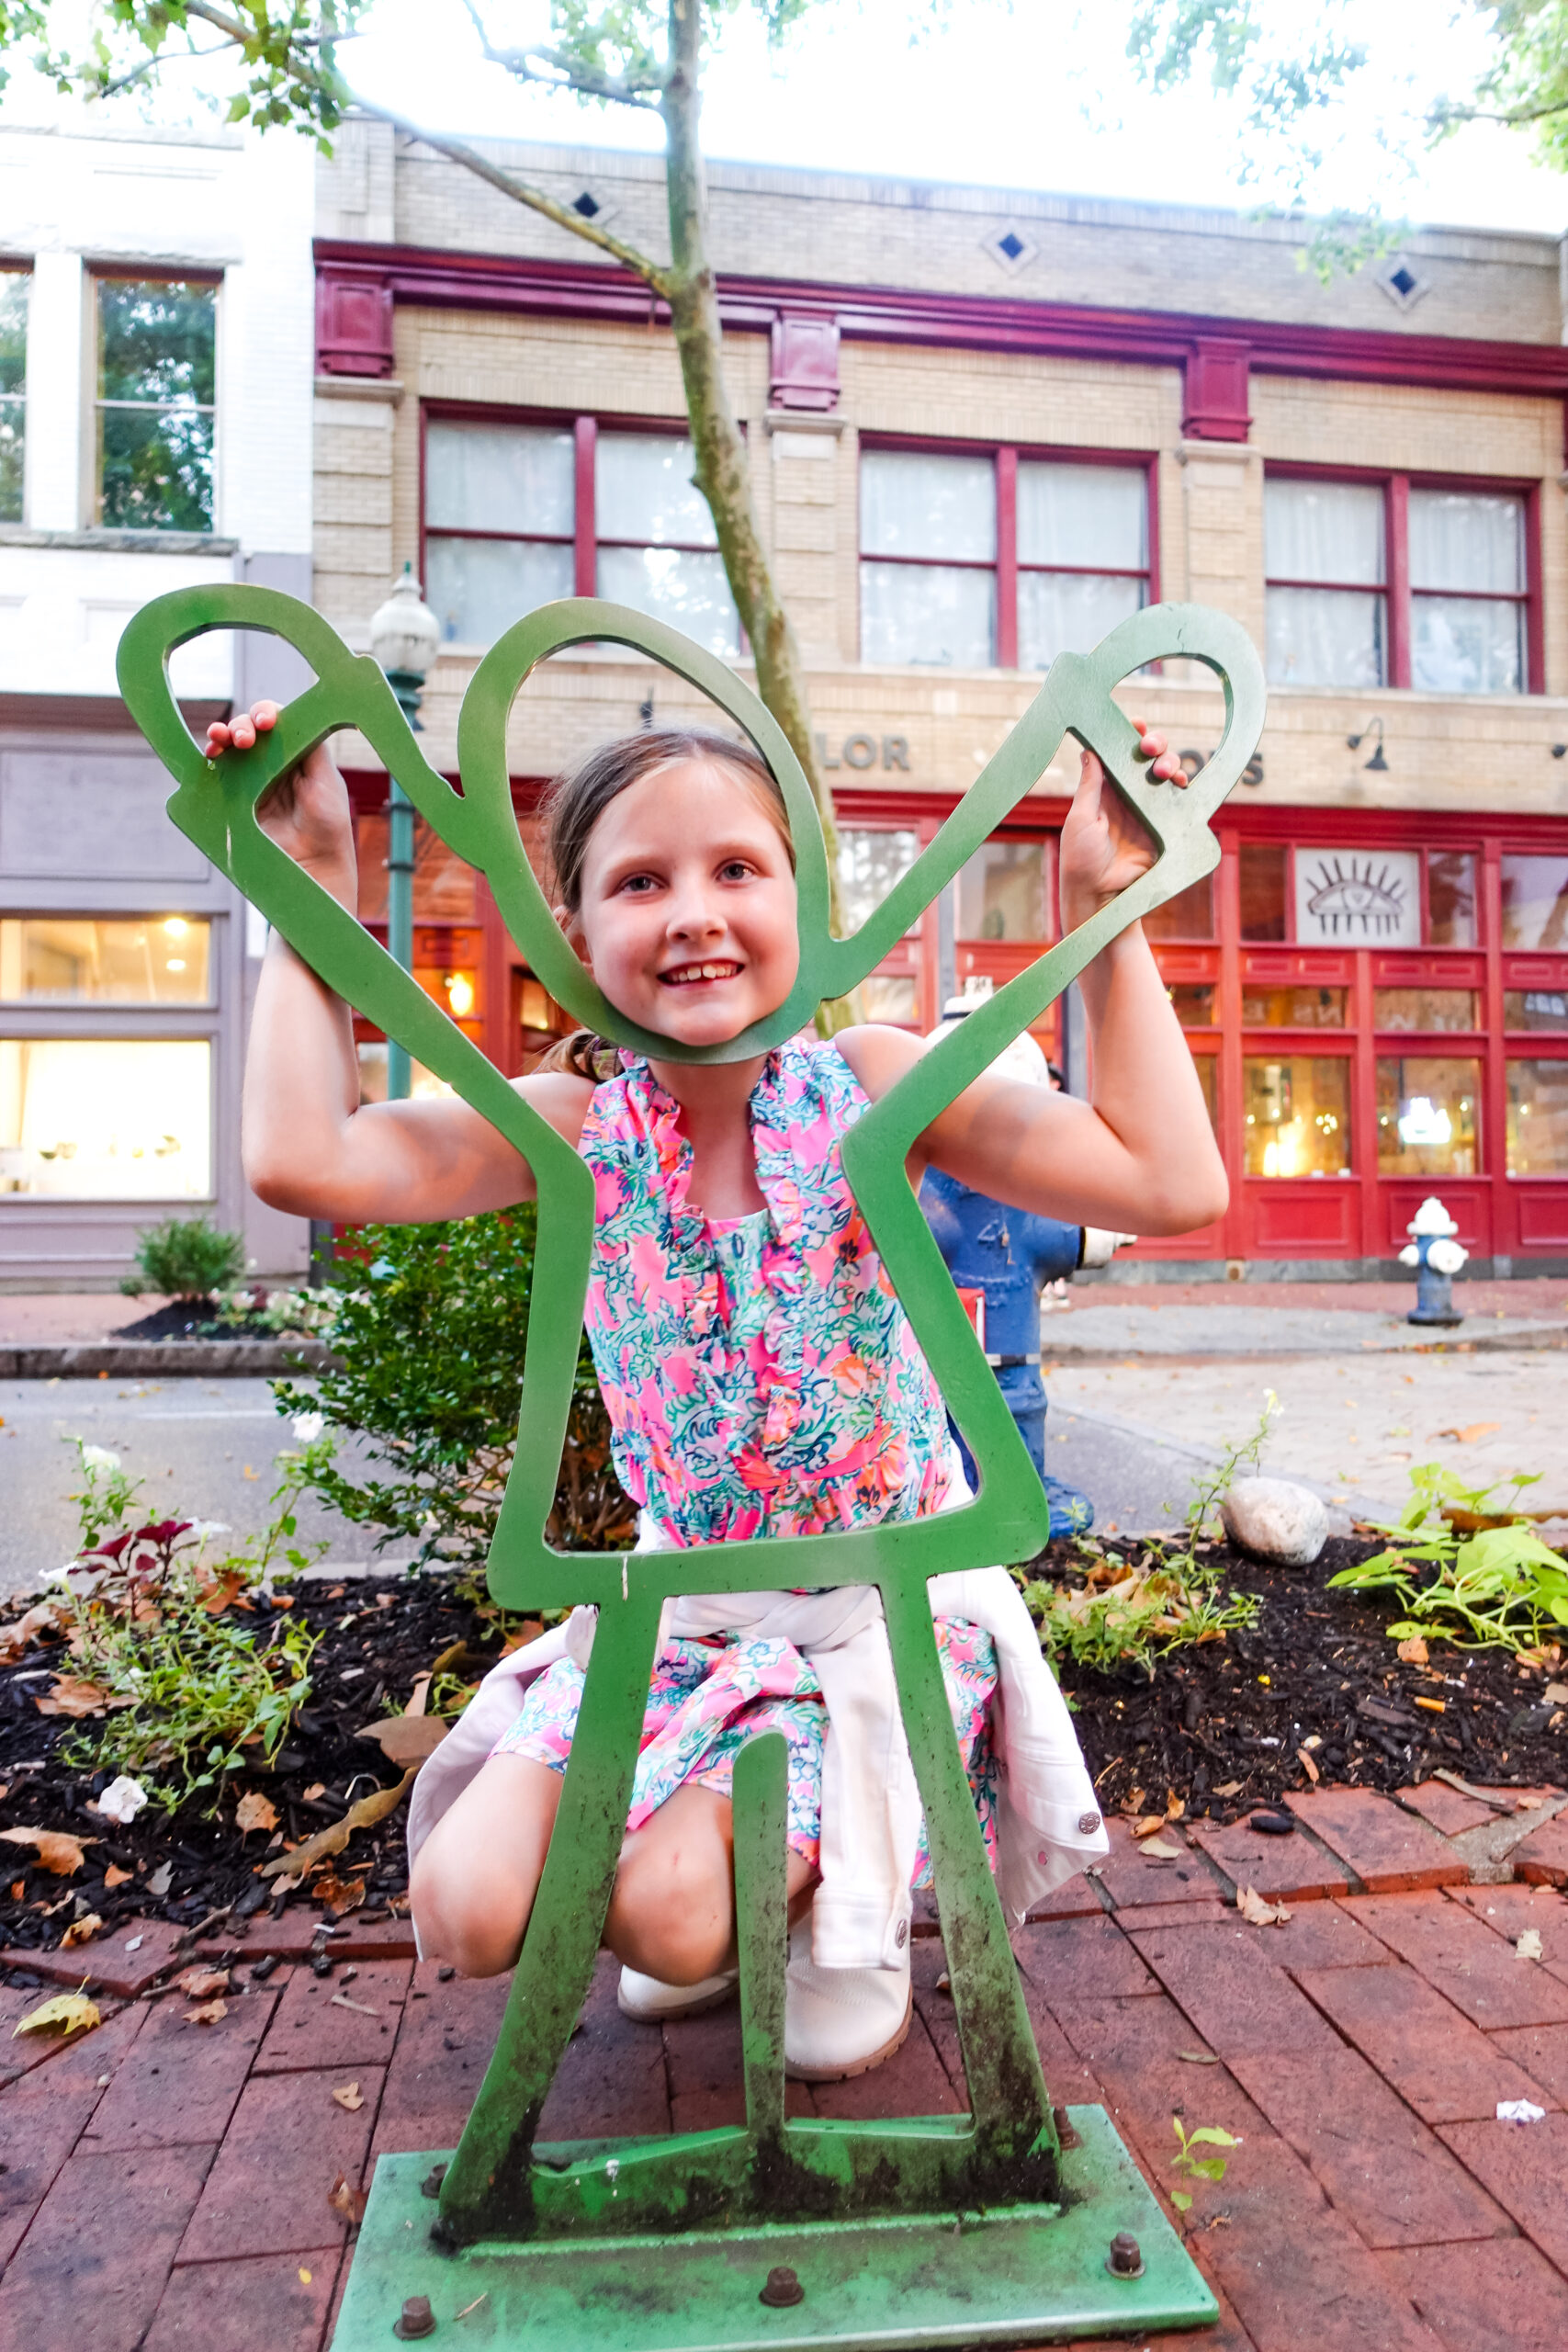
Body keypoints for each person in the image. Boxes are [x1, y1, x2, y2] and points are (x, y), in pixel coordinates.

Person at [219, 696, 1226, 2079]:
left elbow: (1168, 1182)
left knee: (674, 1919)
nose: (694, 913)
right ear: (576, 938)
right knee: (462, 1905)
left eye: (736, 869)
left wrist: (1105, 912)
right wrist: (309, 896)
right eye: (641, 881)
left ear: (803, 905)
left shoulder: (869, 1088)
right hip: (680, 1611)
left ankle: (830, 1922)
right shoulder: (577, 1127)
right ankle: (721, 1898)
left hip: (870, 1613)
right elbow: (306, 1160)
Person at [919, 1016, 1127, 1536]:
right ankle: (1012, 1493)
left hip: (940, 1388)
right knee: (1014, 1411)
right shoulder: (1031, 1205)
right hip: (1012, 1381)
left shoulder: (926, 1203)